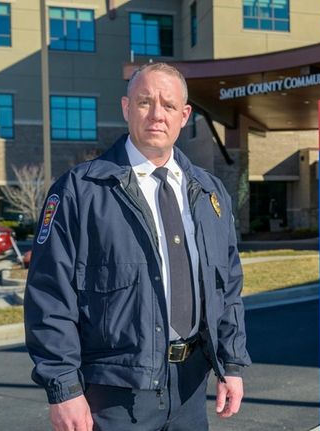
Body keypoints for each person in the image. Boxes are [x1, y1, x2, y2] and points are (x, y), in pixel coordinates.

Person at [24, 62, 250, 431]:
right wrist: (63, 389)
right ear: (127, 108)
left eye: (169, 105)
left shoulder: (210, 192)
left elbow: (228, 287)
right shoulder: (81, 191)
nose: (157, 114)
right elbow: (49, 296)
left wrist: (232, 364)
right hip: (114, 392)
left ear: (185, 115)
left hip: (191, 386)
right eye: (145, 102)